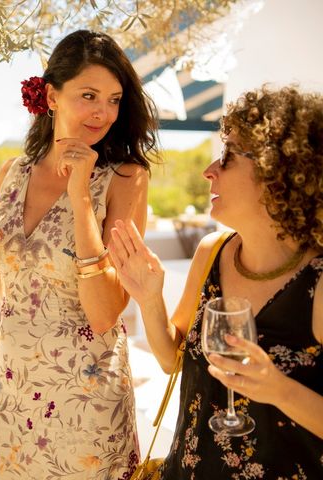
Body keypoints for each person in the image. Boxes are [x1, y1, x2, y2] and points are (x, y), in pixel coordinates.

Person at [0, 30, 158, 478]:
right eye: (89, 95)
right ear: (51, 96)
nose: (103, 112)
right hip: (12, 388)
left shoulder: (125, 179)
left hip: (85, 402)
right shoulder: (13, 172)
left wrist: (80, 196)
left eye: (114, 99)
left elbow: (104, 314)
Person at [109, 85, 323, 479]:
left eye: (227, 156)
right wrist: (149, 298)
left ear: (276, 168)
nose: (210, 170)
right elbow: (171, 360)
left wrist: (278, 388)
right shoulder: (212, 251)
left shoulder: (319, 283)